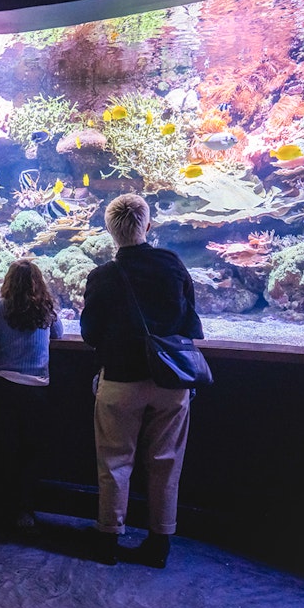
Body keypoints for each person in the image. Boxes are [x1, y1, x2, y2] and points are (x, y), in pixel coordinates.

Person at [81, 193, 204, 568]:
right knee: (166, 463)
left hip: (120, 381)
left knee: (114, 462)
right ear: (148, 226)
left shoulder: (102, 277)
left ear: (110, 231)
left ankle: (108, 540)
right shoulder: (172, 264)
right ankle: (159, 542)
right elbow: (190, 321)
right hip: (171, 381)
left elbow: (90, 333)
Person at [0, 259, 62, 527]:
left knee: (6, 448)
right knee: (30, 451)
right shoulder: (46, 307)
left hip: (4, 385)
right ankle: (25, 510)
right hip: (37, 387)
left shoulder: (0, 306)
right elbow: (58, 334)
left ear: (9, 281)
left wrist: (1, 337)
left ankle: (3, 507)